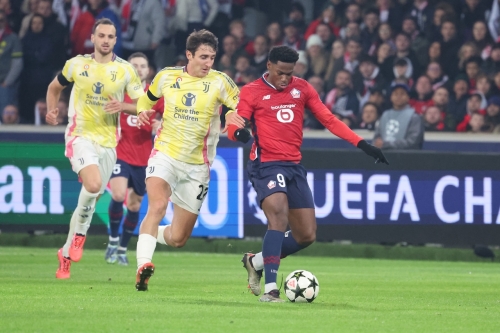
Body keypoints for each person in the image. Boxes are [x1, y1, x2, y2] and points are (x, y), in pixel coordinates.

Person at [227, 46, 388, 302]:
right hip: (265, 164)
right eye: (280, 73)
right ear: (269, 65)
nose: (284, 79)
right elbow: (235, 124)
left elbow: (329, 119)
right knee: (278, 216)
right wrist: (241, 133)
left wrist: (363, 144)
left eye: (289, 74)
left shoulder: (302, 88)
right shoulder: (252, 91)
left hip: (294, 166)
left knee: (306, 236)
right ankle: (270, 288)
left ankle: (254, 261)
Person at [133, 29, 245, 291]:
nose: (208, 63)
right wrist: (141, 113)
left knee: (178, 238)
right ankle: (143, 264)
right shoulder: (166, 77)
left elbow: (237, 108)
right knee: (157, 206)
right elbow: (145, 100)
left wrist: (230, 118)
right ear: (189, 55)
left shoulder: (221, 82)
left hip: (197, 167)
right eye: (203, 57)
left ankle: (146, 235)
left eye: (212, 57)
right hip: (165, 154)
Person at [45, 18, 144, 279]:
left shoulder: (125, 70)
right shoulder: (77, 64)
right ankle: (79, 235)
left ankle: (65, 254)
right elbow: (54, 87)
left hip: (109, 143)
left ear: (115, 40)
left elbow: (143, 104)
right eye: (101, 35)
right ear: (93, 37)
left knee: (90, 198)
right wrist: (51, 109)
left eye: (110, 36)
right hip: (80, 136)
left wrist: (123, 106)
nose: (106, 40)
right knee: (92, 185)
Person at [104, 52, 164, 266]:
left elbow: (163, 117)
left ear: (149, 71)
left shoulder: (155, 95)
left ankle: (122, 248)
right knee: (119, 194)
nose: (138, 69)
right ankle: (112, 240)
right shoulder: (118, 91)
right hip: (120, 153)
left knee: (135, 205)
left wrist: (159, 125)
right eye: (134, 65)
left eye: (142, 66)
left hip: (144, 157)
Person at [373, 83, 424, 150]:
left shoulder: (414, 117)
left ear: (408, 97)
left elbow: (413, 142)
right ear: (391, 97)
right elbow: (377, 137)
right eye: (395, 94)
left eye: (402, 94)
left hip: (405, 157)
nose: (398, 96)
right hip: (384, 156)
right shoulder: (384, 115)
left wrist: (386, 144)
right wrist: (378, 143)